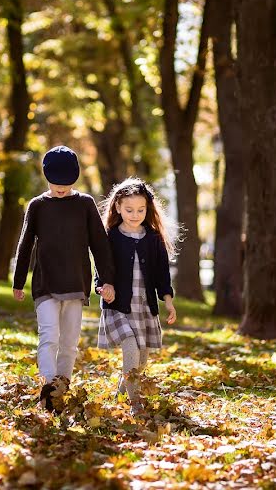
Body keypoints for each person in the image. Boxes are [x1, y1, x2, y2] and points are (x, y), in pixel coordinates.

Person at [12, 146, 116, 413]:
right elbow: (25, 245)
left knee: (69, 340)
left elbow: (100, 245)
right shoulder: (37, 206)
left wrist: (107, 280)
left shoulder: (84, 204)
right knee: (49, 336)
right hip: (45, 283)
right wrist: (18, 281)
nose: (61, 188)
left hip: (76, 283)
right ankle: (47, 385)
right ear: (46, 177)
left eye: (67, 183)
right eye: (56, 183)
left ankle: (61, 385)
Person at [97, 177, 177, 415]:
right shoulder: (110, 236)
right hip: (118, 306)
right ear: (118, 207)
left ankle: (123, 391)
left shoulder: (153, 238)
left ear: (148, 209)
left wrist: (169, 301)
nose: (135, 214)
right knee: (130, 348)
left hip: (143, 306)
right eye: (129, 209)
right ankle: (135, 403)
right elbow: (102, 268)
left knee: (141, 361)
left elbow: (163, 273)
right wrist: (104, 286)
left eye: (140, 210)